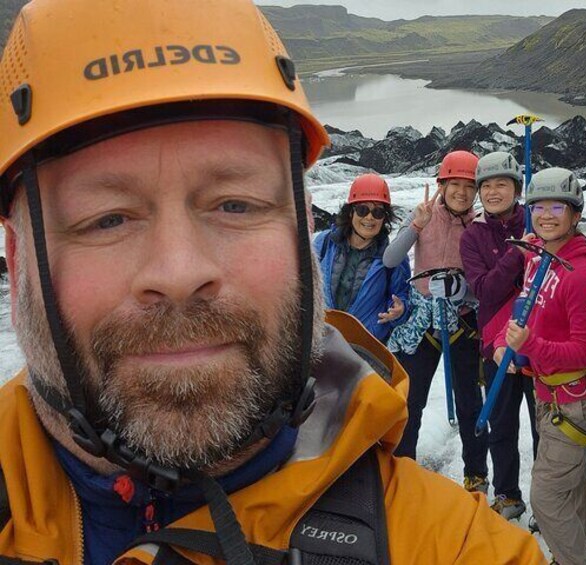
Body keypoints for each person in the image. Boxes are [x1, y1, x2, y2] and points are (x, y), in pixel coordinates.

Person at [0, 1, 546, 562]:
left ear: (302, 227)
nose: (180, 272)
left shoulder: (451, 547)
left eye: (235, 204)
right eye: (107, 218)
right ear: (16, 263)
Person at [494, 168, 586, 565]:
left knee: (546, 497)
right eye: (538, 206)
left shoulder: (580, 276)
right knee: (572, 482)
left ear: (575, 215)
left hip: (574, 395)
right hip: (551, 391)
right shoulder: (540, 260)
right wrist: (502, 345)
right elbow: (526, 309)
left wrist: (532, 346)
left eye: (557, 206)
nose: (545, 215)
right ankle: (580, 548)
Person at [383, 152, 490, 493]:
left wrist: (464, 288)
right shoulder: (424, 216)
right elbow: (391, 258)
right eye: (454, 184)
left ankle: (476, 474)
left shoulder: (480, 228)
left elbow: (483, 281)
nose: (461, 192)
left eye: (468, 186)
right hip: (421, 320)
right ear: (441, 185)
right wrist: (416, 224)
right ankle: (403, 468)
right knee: (410, 400)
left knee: (469, 401)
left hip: (462, 320)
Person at [459, 151, 538, 520]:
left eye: (501, 184)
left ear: (516, 188)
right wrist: (520, 251)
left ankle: (550, 503)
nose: (492, 192)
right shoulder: (473, 237)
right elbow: (485, 291)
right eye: (486, 186)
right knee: (502, 425)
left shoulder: (541, 219)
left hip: (540, 342)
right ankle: (508, 493)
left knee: (546, 431)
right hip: (496, 345)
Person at [313, 173, 410, 342]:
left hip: (365, 346)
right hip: (322, 341)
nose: (369, 217)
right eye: (362, 210)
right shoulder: (324, 243)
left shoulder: (393, 256)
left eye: (378, 212)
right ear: (351, 213)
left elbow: (401, 297)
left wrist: (399, 311)